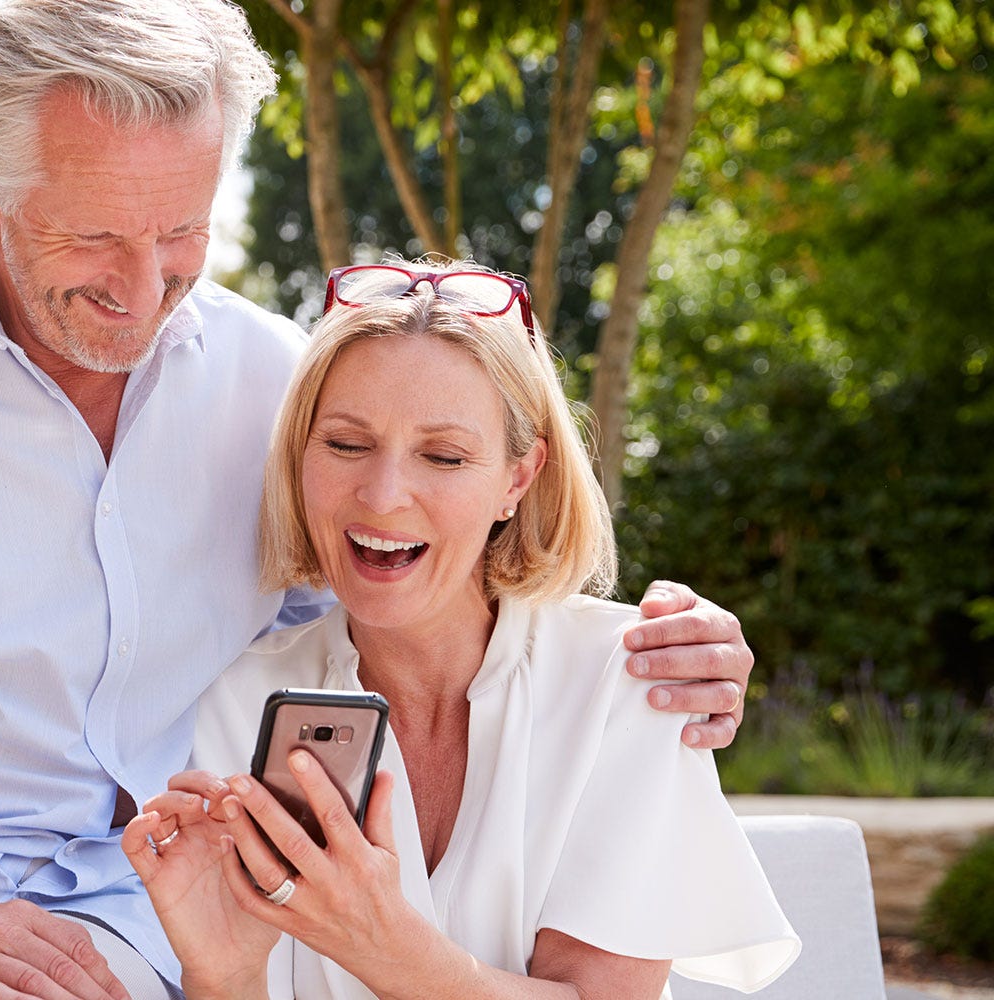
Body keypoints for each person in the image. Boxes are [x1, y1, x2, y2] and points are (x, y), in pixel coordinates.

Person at [0, 3, 758, 999]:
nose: (140, 291)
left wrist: (670, 648)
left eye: (180, 231)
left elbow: (412, 572)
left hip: (117, 923)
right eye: (92, 236)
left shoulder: (275, 385)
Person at [123, 265, 800, 1000]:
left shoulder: (626, 682)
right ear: (300, 455)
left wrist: (388, 950)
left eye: (443, 457)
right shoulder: (244, 700)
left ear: (518, 478)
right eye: (347, 445)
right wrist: (223, 975)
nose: (382, 497)